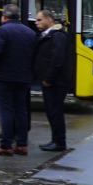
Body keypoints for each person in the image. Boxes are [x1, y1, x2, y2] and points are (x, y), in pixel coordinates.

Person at [0, 4, 37, 156]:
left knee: (6, 110)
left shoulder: (3, 30)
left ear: (4, 16)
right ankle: (22, 144)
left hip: (4, 77)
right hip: (23, 77)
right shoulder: (29, 32)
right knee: (21, 110)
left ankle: (6, 145)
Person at [33, 9, 74, 151]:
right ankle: (55, 140)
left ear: (49, 20)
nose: (36, 22)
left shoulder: (57, 36)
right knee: (51, 111)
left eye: (39, 20)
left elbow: (57, 59)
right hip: (51, 80)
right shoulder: (48, 35)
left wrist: (48, 78)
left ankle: (59, 142)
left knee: (55, 111)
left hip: (56, 82)